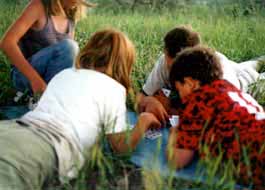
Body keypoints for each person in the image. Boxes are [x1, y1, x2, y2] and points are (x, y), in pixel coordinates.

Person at [0, 29, 160, 190]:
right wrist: (143, 121)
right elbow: (121, 147)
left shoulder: (64, 73)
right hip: (44, 146)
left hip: (14, 127)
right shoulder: (114, 89)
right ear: (124, 64)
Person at [166, 46, 265, 188]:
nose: (181, 97)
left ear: (190, 83)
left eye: (179, 89)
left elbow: (177, 161)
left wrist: (174, 135)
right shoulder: (230, 89)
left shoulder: (195, 102)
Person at [137, 26, 261, 123]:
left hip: (244, 79)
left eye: (182, 69)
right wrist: (149, 101)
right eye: (172, 68)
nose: (175, 74)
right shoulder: (164, 62)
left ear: (196, 59)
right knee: (253, 63)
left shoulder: (220, 76)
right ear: (165, 53)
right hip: (236, 66)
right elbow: (141, 96)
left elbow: (212, 117)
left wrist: (172, 108)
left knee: (254, 73)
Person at [0, 0, 95, 95]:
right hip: (24, 76)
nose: (79, 2)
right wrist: (35, 80)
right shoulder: (38, 6)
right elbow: (7, 42)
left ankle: (49, 100)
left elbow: (66, 61)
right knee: (70, 47)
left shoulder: (70, 14)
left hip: (49, 81)